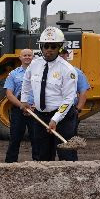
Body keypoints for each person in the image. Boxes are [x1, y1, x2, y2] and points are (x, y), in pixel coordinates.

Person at [20, 27, 78, 161]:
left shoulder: (68, 70)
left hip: (62, 118)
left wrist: (55, 119)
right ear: (41, 47)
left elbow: (69, 99)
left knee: (66, 155)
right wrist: (24, 100)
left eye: (53, 46)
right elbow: (26, 81)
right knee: (42, 155)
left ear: (60, 48)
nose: (49, 49)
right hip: (40, 117)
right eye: (46, 46)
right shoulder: (34, 64)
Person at [4, 49, 39, 162]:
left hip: (35, 109)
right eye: (25, 55)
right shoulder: (13, 74)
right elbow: (9, 94)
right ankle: (10, 164)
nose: (27, 57)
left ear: (33, 57)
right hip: (18, 109)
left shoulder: (39, 73)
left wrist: (34, 106)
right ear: (20, 58)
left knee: (36, 139)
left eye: (29, 55)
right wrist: (21, 105)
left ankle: (38, 163)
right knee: (15, 138)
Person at [59, 47, 91, 161]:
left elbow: (83, 91)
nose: (61, 56)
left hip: (69, 111)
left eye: (63, 54)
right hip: (51, 111)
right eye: (59, 54)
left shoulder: (76, 71)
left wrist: (78, 109)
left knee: (69, 141)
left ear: (67, 55)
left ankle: (71, 165)